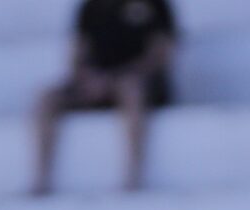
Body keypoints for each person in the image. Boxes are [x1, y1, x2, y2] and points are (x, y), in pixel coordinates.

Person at [30, 0, 177, 196]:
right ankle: (41, 181)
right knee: (47, 98)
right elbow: (77, 55)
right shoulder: (90, 8)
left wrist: (115, 78)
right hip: (96, 84)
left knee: (130, 89)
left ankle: (133, 178)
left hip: (140, 84)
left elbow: (161, 56)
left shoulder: (156, 5)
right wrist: (89, 79)